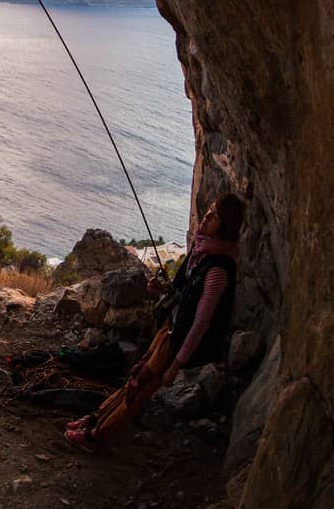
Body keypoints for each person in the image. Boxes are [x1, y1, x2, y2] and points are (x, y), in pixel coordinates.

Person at [64, 193, 244, 452]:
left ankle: (97, 436)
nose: (206, 216)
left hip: (179, 340)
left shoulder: (218, 270)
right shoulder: (201, 252)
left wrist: (176, 364)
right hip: (170, 330)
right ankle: (95, 418)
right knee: (135, 377)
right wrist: (160, 288)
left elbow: (201, 323)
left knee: (139, 389)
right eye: (210, 210)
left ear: (225, 226)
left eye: (214, 215)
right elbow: (183, 291)